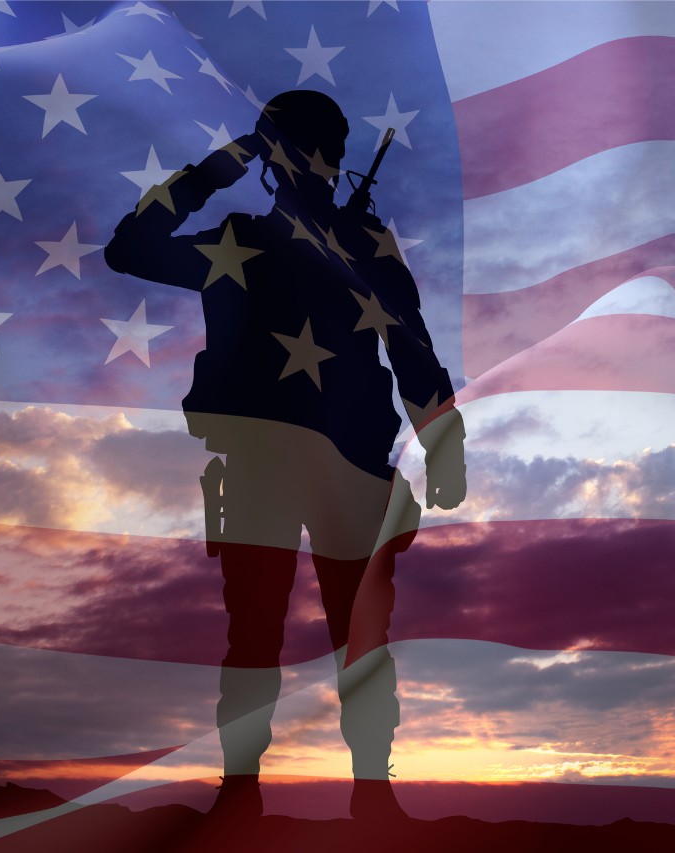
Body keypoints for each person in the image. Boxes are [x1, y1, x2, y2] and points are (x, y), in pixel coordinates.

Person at [105, 90, 466, 821]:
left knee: (286, 636)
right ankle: (332, 794)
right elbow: (412, 348)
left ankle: (312, 794)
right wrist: (443, 446)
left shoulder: (263, 240)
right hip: (318, 466)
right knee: (303, 636)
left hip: (308, 464)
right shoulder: (349, 244)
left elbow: (409, 344)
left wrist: (218, 167)